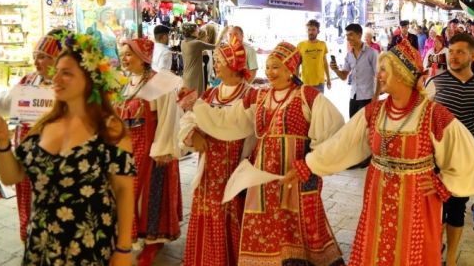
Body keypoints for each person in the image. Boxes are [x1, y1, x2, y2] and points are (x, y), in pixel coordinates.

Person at [283, 40, 474, 266]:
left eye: (384, 70)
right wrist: (308, 165)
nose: (379, 76)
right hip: (378, 195)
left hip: (416, 199)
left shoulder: (433, 114)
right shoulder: (374, 112)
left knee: (411, 254)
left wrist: (443, 183)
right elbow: (342, 144)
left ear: (403, 73)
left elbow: (466, 153)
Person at [0, 32, 135, 265]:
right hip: (42, 244)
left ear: (90, 79)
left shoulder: (110, 129)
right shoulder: (43, 124)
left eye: (67, 73)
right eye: (57, 72)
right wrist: (3, 141)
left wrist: (123, 249)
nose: (56, 79)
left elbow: (124, 191)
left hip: (89, 246)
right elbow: (12, 175)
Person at [191, 42, 345, 265]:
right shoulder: (259, 96)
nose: (270, 72)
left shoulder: (307, 96)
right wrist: (197, 108)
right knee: (265, 229)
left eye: (276, 67)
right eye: (268, 67)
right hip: (263, 180)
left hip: (295, 177)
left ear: (290, 69)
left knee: (297, 229)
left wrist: (310, 164)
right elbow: (229, 120)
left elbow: (334, 129)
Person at [0, 31, 63, 243]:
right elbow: (6, 100)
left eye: (42, 56)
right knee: (28, 203)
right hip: (25, 158)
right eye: (35, 55)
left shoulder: (66, 86)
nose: (36, 61)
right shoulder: (29, 80)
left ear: (58, 58)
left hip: (54, 161)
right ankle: (30, 242)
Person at [178, 41, 254, 266]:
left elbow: (233, 125)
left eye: (220, 62)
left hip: (235, 168)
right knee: (208, 212)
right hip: (209, 169)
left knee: (229, 214)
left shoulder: (249, 95)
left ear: (234, 65)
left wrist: (201, 113)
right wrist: (193, 134)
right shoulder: (212, 92)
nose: (216, 66)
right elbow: (189, 119)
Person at [117, 38, 184, 266]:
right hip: (129, 147)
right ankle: (137, 236)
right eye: (123, 54)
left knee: (151, 195)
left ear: (143, 57)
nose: (125, 58)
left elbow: (168, 116)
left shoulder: (159, 82)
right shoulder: (127, 82)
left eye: (129, 54)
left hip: (151, 145)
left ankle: (154, 241)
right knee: (131, 195)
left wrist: (162, 147)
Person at [425, 33, 474, 266]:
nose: (454, 56)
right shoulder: (435, 83)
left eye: (460, 52)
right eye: (451, 51)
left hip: (466, 157)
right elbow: (422, 119)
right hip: (435, 157)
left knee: (457, 209)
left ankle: (450, 258)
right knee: (434, 207)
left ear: (473, 55)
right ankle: (434, 252)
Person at [330, 23, 379, 117]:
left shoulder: (372, 53)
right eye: (347, 35)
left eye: (351, 34)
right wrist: (336, 69)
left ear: (359, 35)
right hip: (354, 96)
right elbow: (344, 76)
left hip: (368, 97)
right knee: (352, 124)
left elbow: (379, 76)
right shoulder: (349, 55)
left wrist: (376, 97)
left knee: (364, 127)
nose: (348, 38)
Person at [297, 19, 331, 92]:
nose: (311, 32)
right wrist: (296, 81)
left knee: (319, 103)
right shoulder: (301, 45)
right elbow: (297, 64)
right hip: (306, 83)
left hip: (320, 82)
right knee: (306, 103)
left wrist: (328, 79)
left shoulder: (322, 44)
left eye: (313, 30)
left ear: (318, 31)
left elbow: (325, 63)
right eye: (309, 30)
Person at [181, 23, 215, 96]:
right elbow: (215, 46)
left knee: (188, 99)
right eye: (197, 30)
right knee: (196, 98)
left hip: (186, 75)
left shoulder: (183, 42)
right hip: (195, 76)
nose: (198, 31)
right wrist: (222, 35)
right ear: (192, 32)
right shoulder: (197, 43)